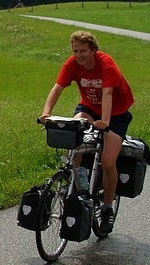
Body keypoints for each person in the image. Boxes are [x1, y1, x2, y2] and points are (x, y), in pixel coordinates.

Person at [38, 30, 134, 234]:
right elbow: (57, 87)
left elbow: (107, 93)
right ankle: (77, 182)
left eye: (83, 51)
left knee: (108, 161)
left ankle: (107, 207)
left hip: (115, 113)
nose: (78, 55)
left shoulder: (105, 63)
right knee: (74, 134)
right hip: (89, 108)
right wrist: (46, 114)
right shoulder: (71, 64)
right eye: (75, 51)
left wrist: (105, 121)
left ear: (93, 50)